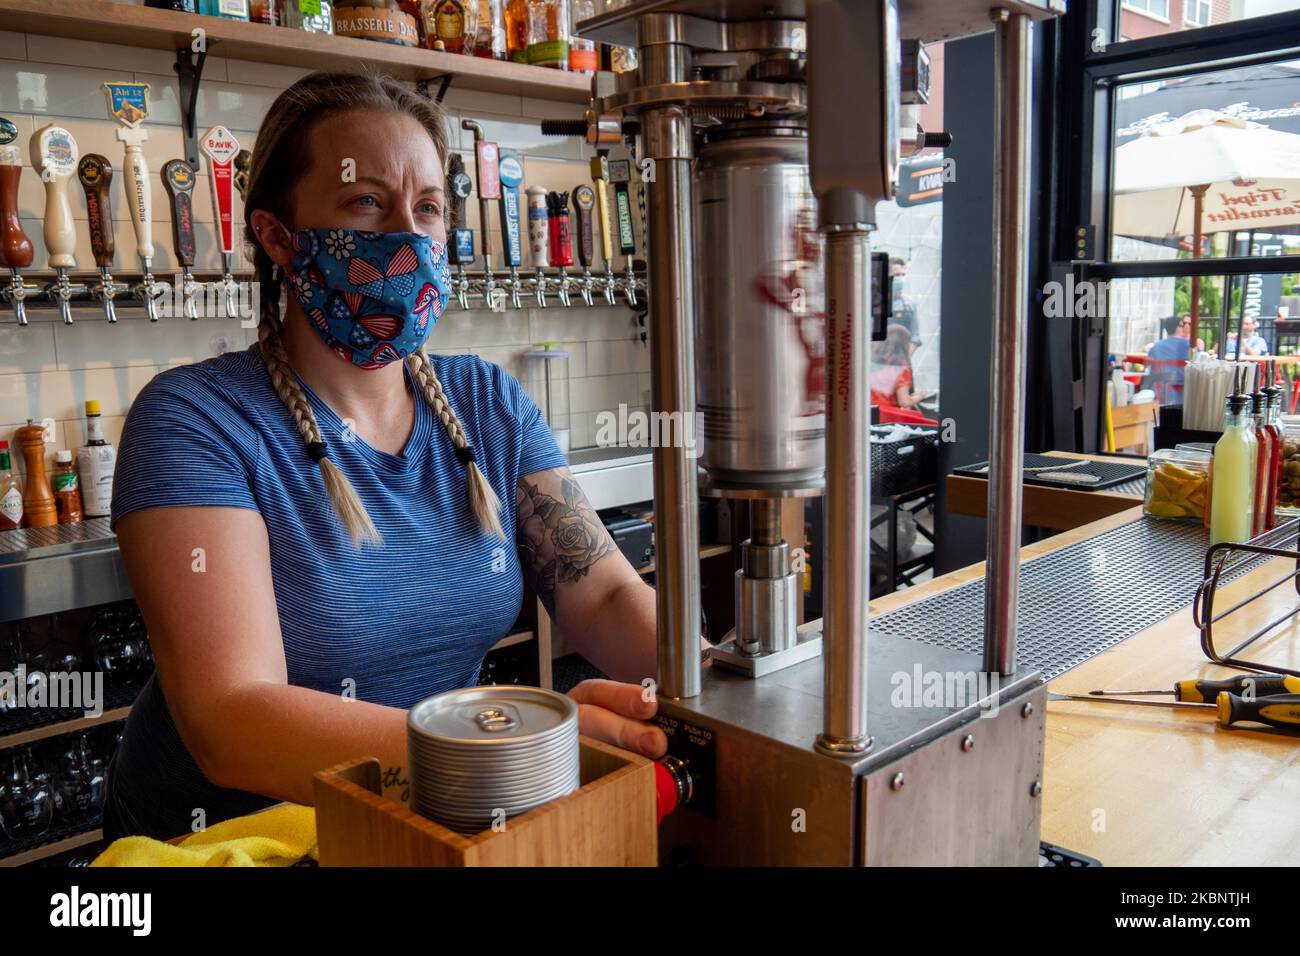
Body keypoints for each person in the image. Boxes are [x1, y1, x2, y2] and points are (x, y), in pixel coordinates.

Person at [102, 73, 678, 841]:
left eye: (430, 208)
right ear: (278, 237)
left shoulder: (486, 403)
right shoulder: (197, 420)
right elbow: (231, 719)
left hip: (419, 828)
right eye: (366, 202)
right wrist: (511, 751)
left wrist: (709, 675)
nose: (408, 235)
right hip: (232, 846)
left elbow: (601, 594)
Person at [1145, 314, 1202, 404]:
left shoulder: (1155, 347)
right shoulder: (1190, 346)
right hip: (1186, 395)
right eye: (1182, 325)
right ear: (1178, 328)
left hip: (1162, 396)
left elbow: (1147, 367)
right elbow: (1201, 364)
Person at [871, 324, 929, 410]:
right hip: (889, 416)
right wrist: (920, 396)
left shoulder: (872, 364)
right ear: (903, 345)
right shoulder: (900, 369)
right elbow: (904, 402)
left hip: (869, 414)